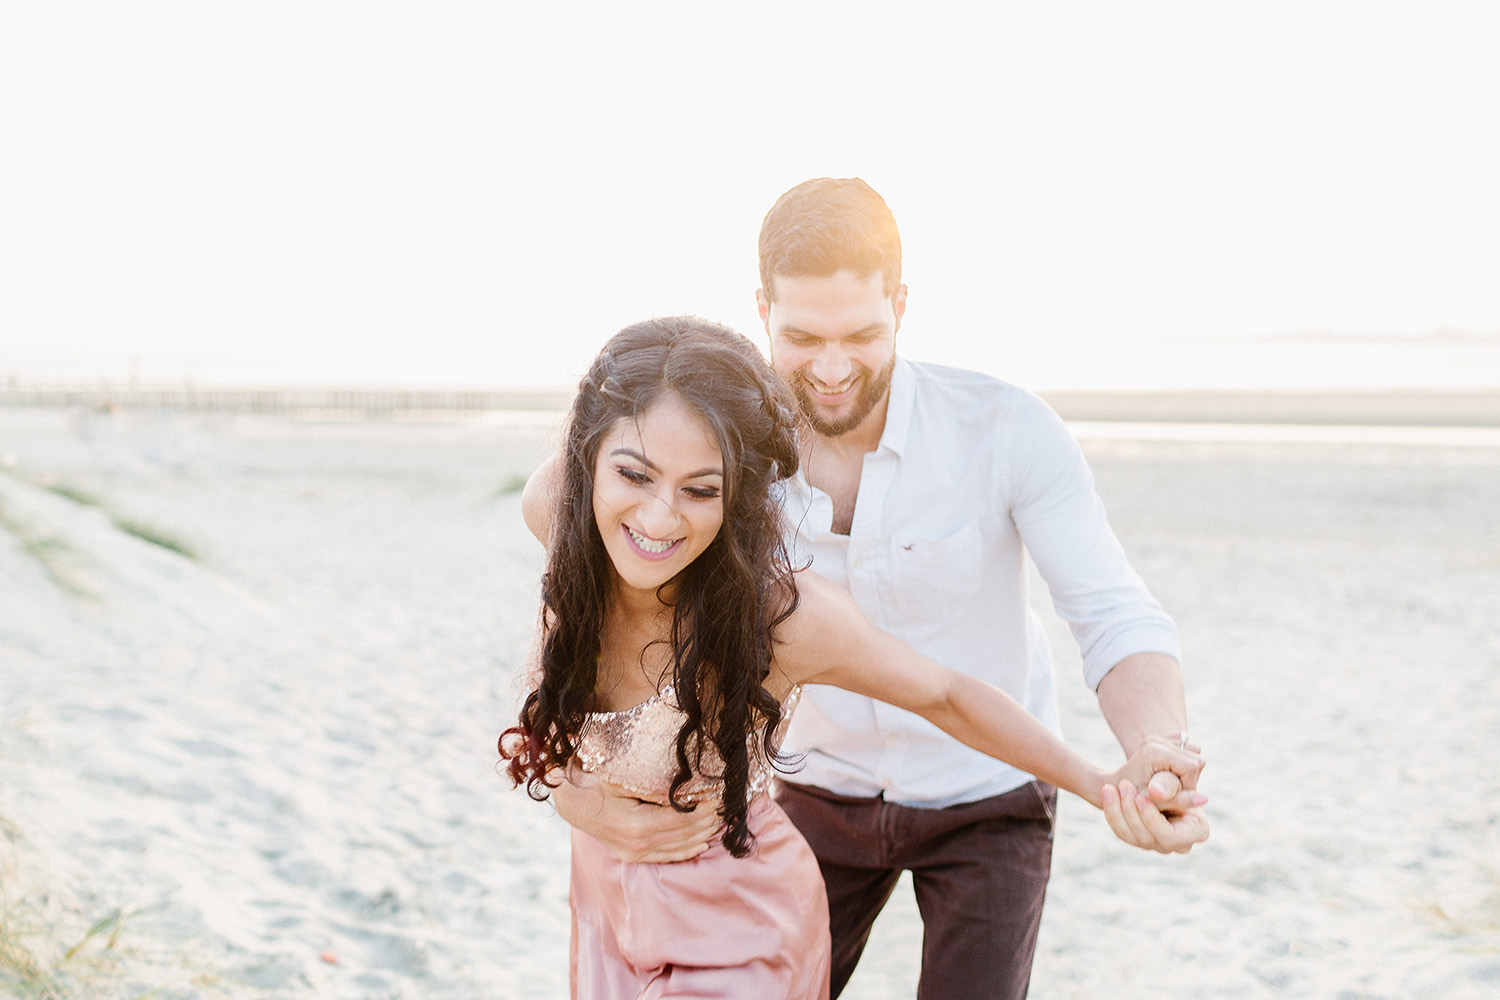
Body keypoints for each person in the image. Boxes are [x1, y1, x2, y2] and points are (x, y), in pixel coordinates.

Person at [539, 180, 1212, 1000]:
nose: (828, 368)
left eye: (861, 333)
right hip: (809, 788)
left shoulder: (1006, 429)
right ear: (761, 310)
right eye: (800, 336)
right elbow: (581, 504)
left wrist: (1154, 749)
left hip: (989, 789)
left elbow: (1110, 613)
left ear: (902, 303)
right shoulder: (718, 453)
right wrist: (578, 790)